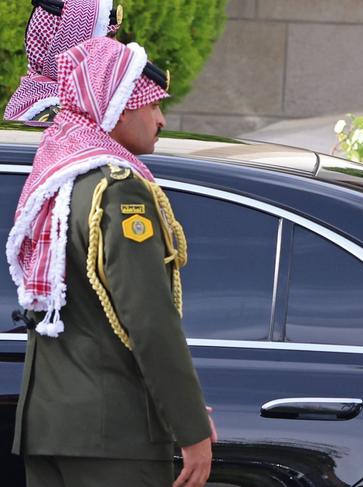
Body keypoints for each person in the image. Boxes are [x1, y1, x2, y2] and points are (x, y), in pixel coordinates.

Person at [6, 37, 215, 487]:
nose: (160, 120)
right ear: (117, 105)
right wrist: (191, 428)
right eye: (152, 105)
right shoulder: (119, 190)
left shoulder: (61, 183)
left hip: (48, 430)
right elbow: (148, 318)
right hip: (113, 439)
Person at [3, 0, 123, 122]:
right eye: (108, 37)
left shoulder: (32, 93)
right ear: (71, 46)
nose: (118, 46)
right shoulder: (57, 115)